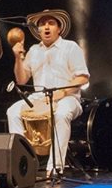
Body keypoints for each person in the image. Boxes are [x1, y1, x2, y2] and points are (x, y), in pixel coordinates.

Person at [6, 9, 90, 175]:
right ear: (38, 30)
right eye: (42, 24)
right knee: (13, 111)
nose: (46, 27)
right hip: (38, 98)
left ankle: (55, 167)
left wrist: (61, 93)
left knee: (61, 114)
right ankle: (22, 163)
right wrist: (17, 58)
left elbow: (82, 78)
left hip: (68, 97)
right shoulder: (34, 50)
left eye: (51, 23)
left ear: (59, 28)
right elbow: (21, 80)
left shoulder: (70, 47)